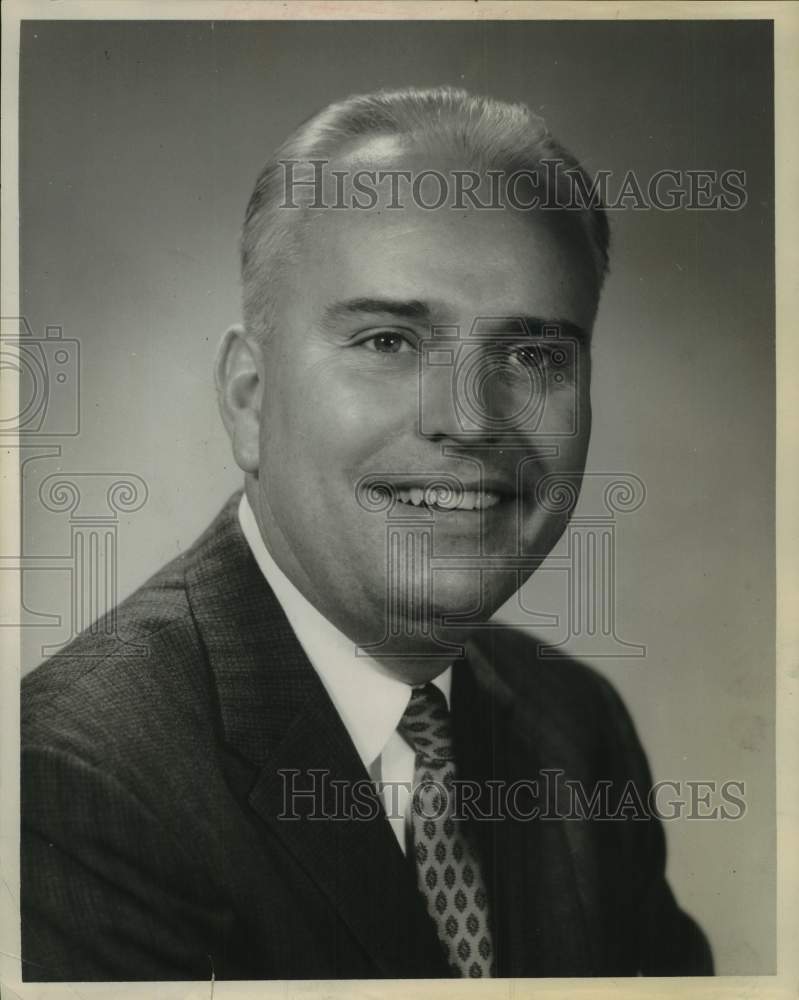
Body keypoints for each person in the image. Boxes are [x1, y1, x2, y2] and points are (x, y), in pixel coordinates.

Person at [21, 86, 713, 981]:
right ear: (248, 396)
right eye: (389, 342)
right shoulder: (76, 783)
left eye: (534, 355)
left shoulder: (576, 727)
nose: (469, 420)